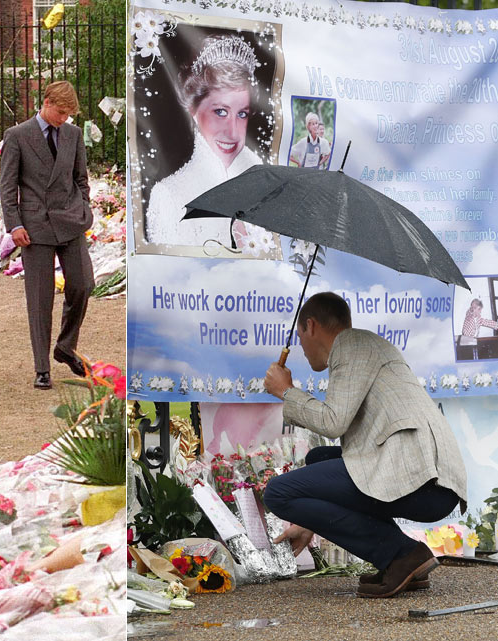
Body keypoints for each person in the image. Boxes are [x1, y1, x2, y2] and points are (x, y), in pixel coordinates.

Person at [262, 292, 467, 598]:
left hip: (423, 479)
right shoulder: (365, 346)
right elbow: (343, 432)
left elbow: (333, 422)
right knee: (319, 457)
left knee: (277, 493)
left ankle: (402, 554)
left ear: (311, 325)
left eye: (299, 336)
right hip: (427, 477)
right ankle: (402, 561)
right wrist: (310, 519)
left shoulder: (351, 346)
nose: (301, 348)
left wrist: (287, 392)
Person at [0, 81, 94, 390]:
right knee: (40, 300)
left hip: (71, 221)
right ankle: (42, 367)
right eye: (62, 112)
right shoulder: (17, 136)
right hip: (35, 227)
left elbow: (81, 177)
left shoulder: (73, 135)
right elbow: (7, 185)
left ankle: (65, 347)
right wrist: (14, 225)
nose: (64, 119)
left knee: (82, 285)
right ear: (47, 102)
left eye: (69, 114)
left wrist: (85, 208)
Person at [146, 33, 265, 247]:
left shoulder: (264, 181)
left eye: (242, 114)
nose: (232, 131)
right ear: (193, 110)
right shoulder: (168, 196)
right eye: (220, 112)